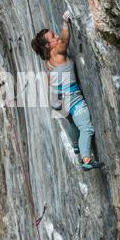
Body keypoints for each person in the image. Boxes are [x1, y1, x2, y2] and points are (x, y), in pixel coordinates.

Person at [31, 11, 104, 171]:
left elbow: (50, 79)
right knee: (86, 127)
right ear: (49, 45)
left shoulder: (49, 62)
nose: (56, 36)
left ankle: (76, 145)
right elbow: (65, 40)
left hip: (58, 99)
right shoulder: (57, 53)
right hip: (72, 99)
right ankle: (86, 159)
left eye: (54, 34)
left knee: (71, 121)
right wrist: (65, 23)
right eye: (53, 37)